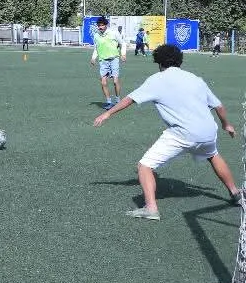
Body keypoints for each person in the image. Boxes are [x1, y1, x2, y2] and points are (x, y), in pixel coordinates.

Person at [93, 44, 242, 220]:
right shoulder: (195, 78)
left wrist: (108, 113)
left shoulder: (157, 80)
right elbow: (218, 106)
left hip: (183, 133)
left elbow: (129, 99)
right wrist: (227, 125)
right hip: (208, 130)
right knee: (213, 155)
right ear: (180, 60)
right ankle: (235, 192)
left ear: (158, 61)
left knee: (144, 166)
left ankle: (151, 208)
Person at [90, 16, 126, 109]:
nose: (100, 27)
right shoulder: (96, 35)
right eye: (99, 25)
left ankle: (118, 100)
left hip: (114, 59)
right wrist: (93, 57)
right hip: (103, 61)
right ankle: (109, 102)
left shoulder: (113, 33)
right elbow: (96, 48)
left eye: (102, 25)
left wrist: (123, 54)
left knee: (115, 81)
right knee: (103, 83)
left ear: (106, 25)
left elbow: (123, 43)